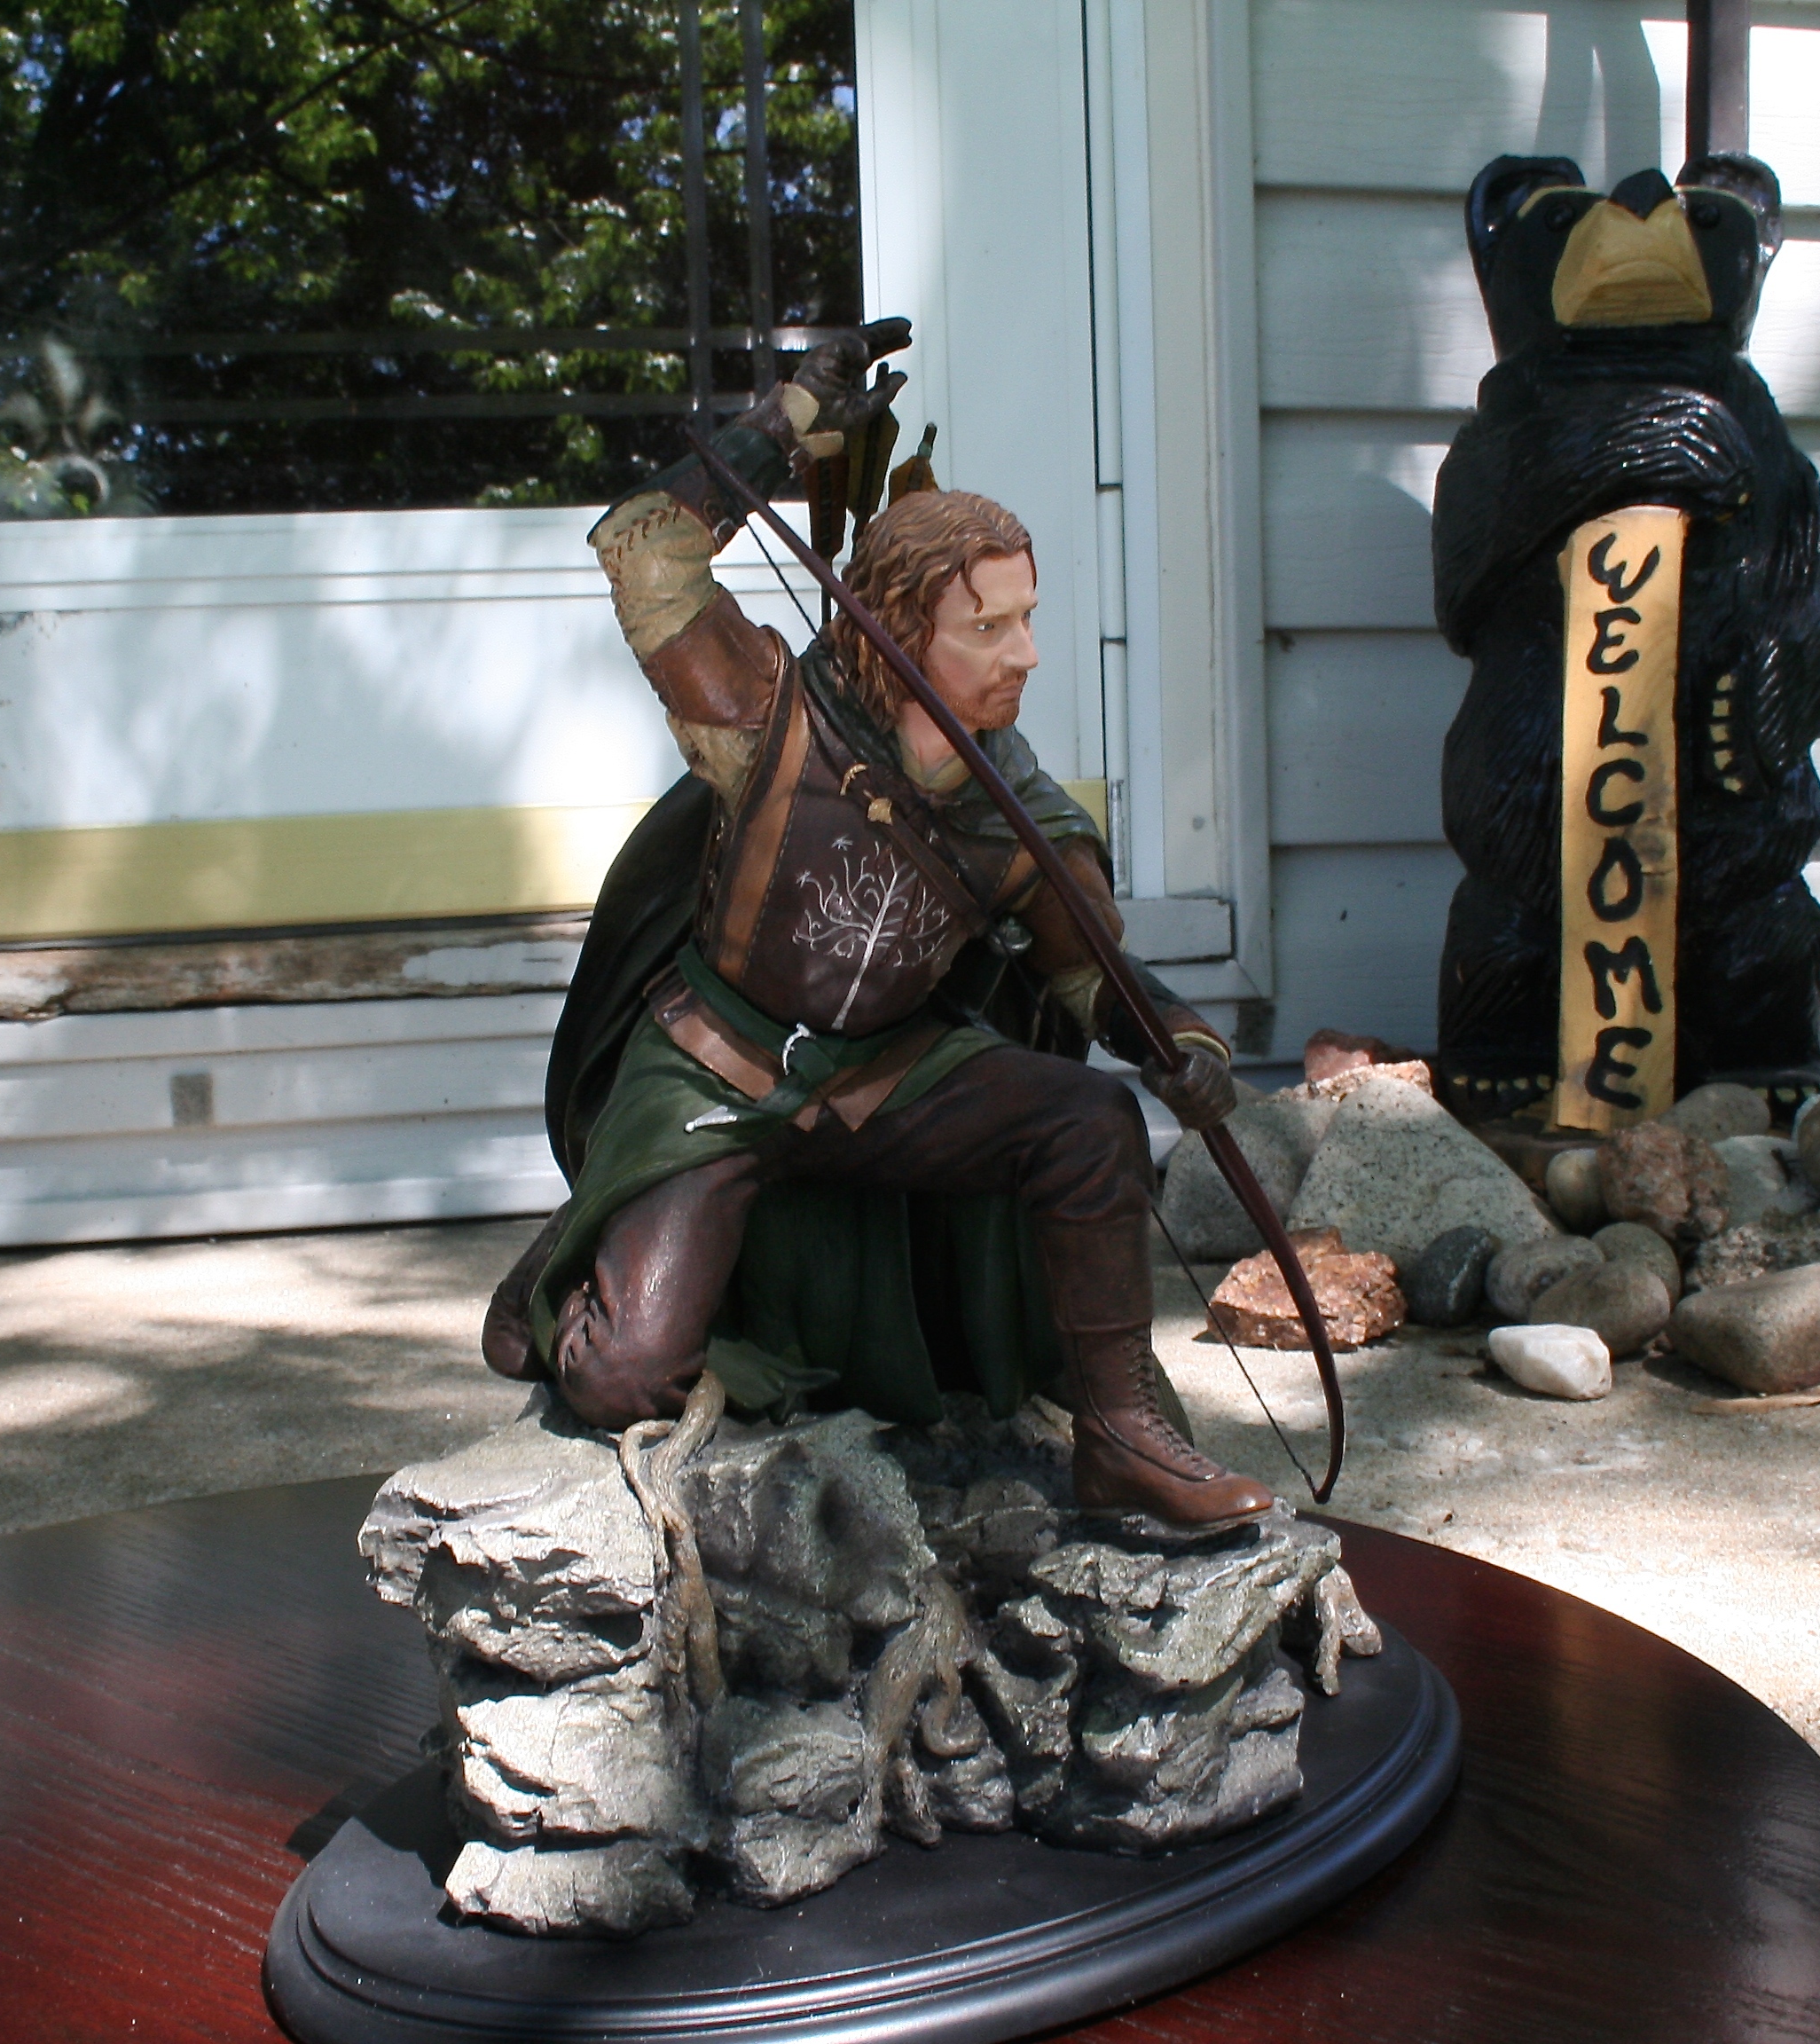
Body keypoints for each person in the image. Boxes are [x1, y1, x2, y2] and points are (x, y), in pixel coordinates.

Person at [481, 326, 1275, 1529]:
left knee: (1088, 1122)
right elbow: (648, 547)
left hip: (888, 1072)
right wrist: (786, 425)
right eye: (989, 628)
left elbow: (1086, 974)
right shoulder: (764, 716)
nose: (1028, 655)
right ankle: (580, 1247)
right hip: (714, 1068)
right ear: (899, 626)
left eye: (1028, 619)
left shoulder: (1014, 807)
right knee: (623, 1380)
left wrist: (1183, 1043)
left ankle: (1122, 1434)